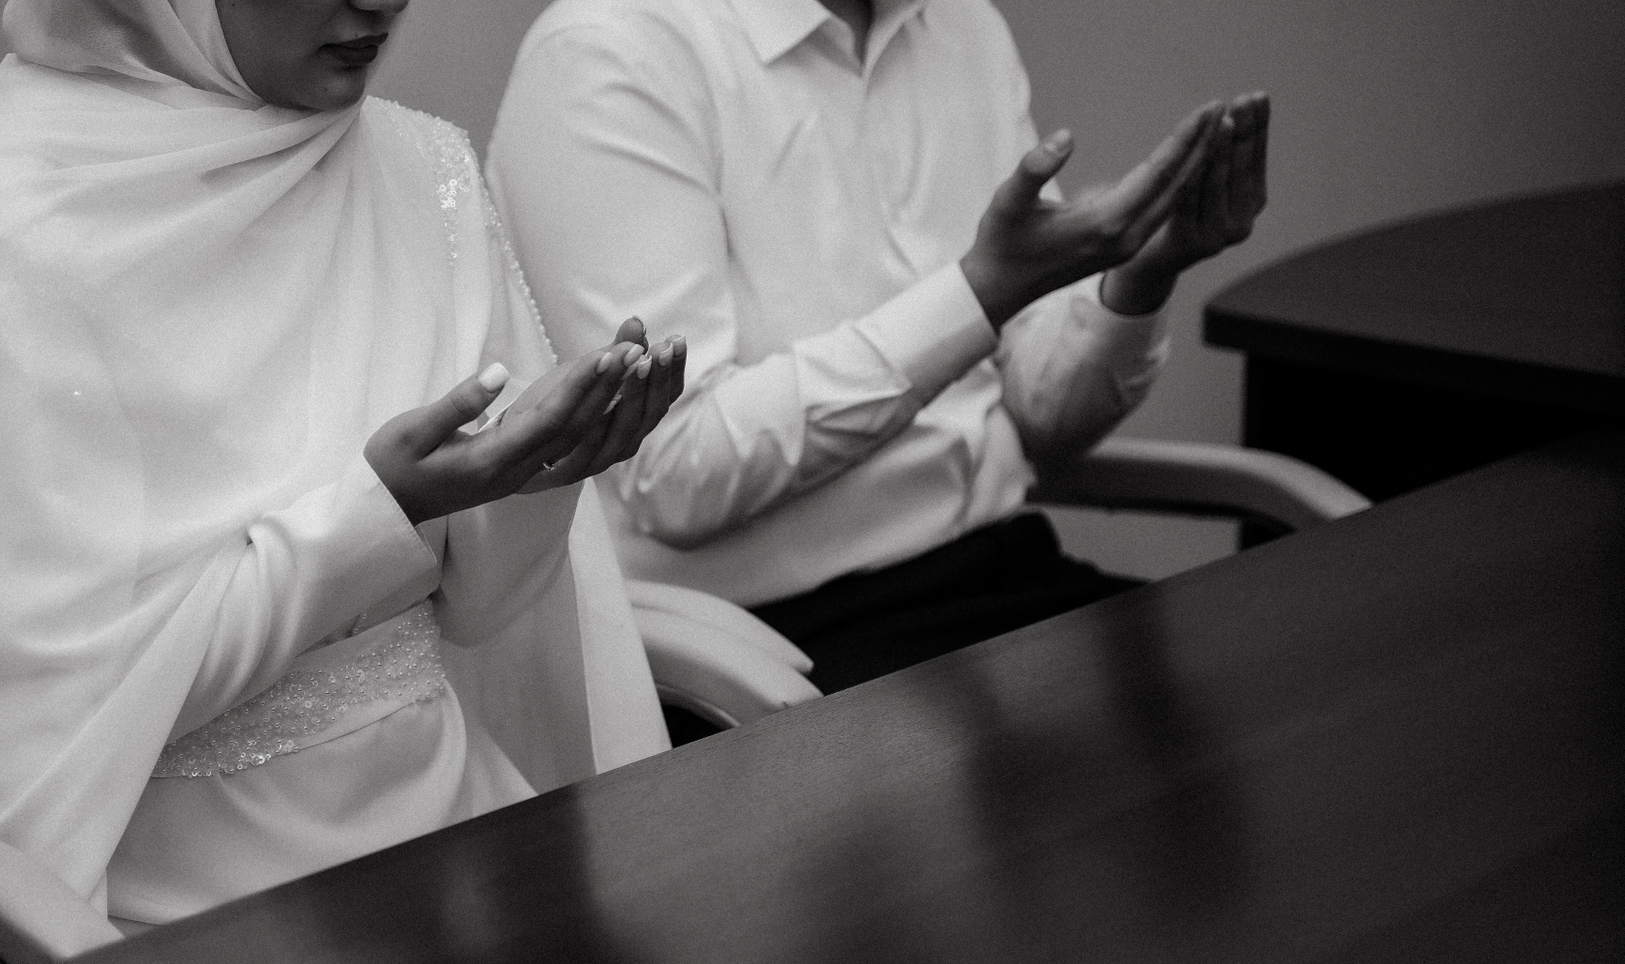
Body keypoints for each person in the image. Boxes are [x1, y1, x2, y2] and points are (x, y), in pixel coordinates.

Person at [0, 0, 685, 964]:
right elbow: (42, 729)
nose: (381, 0)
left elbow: (482, 617)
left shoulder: (422, 167)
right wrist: (377, 520)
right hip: (186, 943)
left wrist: (540, 476)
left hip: (466, 855)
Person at [488, 0, 1270, 700]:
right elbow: (675, 474)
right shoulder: (609, 50)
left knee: (1273, 704)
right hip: (775, 650)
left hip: (1007, 574)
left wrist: (1139, 277)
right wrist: (978, 296)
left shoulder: (962, 26)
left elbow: (1042, 419)